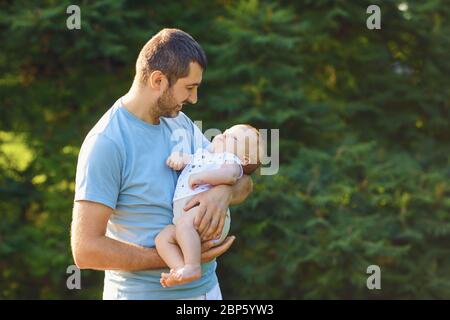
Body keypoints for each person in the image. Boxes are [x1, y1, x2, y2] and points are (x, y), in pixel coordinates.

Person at [71, 28, 253, 300]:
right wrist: (176, 258)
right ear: (158, 80)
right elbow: (86, 250)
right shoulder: (107, 143)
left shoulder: (180, 123)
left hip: (207, 292)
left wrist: (223, 193)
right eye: (189, 88)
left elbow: (244, 180)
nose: (194, 99)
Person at [156, 124, 262, 287]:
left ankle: (192, 267)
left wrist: (202, 177)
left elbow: (230, 176)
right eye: (226, 131)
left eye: (232, 138)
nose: (224, 134)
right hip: (187, 217)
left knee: (184, 225)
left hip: (206, 215)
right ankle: (179, 270)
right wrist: (179, 157)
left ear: (244, 159)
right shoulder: (206, 156)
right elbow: (188, 160)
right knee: (163, 238)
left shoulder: (230, 161)